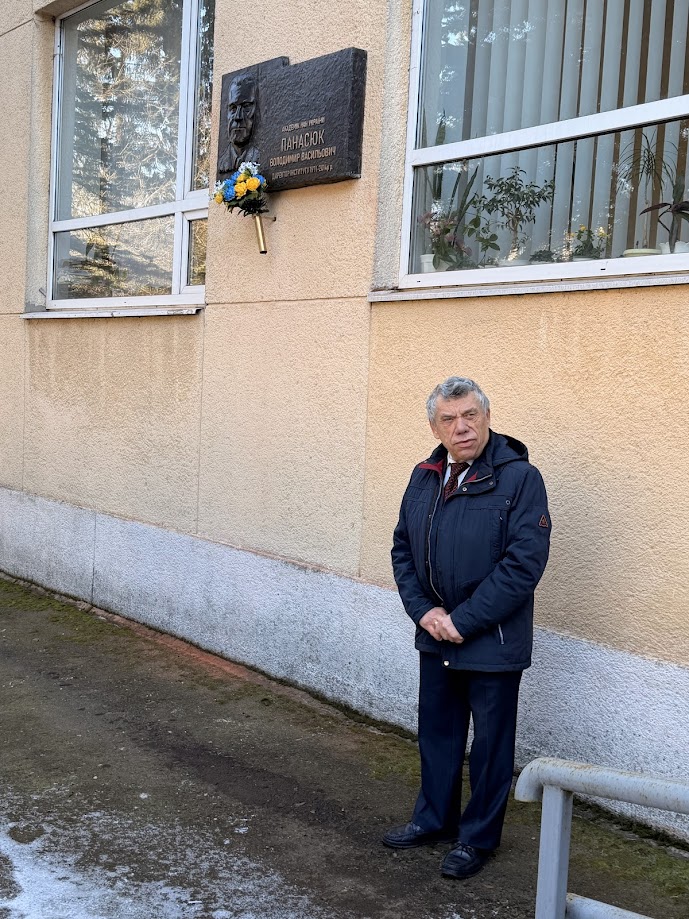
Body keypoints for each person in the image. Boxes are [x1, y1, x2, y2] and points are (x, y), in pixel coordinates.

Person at [383, 376, 551, 879]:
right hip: (435, 634)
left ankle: (477, 839)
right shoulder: (424, 476)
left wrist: (464, 620)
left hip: (491, 640)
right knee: (438, 735)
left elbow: (523, 565)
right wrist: (425, 613)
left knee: (490, 748)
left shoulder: (520, 478)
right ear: (435, 427)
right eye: (449, 419)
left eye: (470, 415)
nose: (462, 428)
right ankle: (434, 820)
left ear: (487, 418)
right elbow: (402, 549)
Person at [219, 72, 260, 175]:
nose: (238, 117)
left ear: (257, 111)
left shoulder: (261, 156)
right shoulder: (222, 162)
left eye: (246, 107)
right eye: (233, 108)